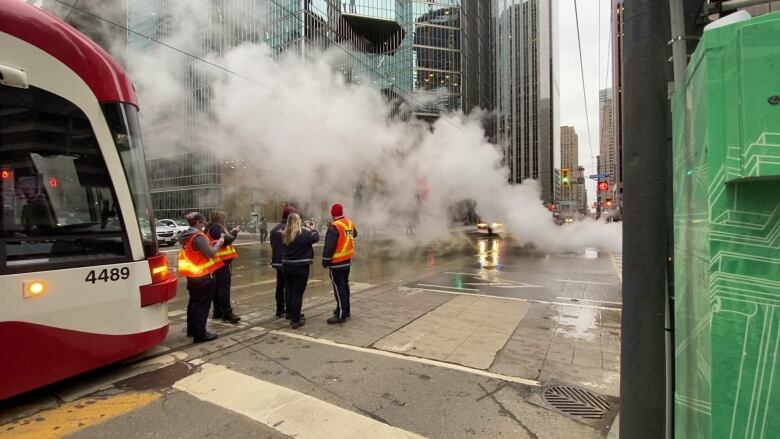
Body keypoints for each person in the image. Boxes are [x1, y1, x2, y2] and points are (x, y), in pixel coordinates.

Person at [178, 212, 225, 343]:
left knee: (193, 303)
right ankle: (200, 334)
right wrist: (219, 243)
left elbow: (196, 251)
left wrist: (211, 243)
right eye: (203, 222)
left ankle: (191, 330)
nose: (204, 225)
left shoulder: (184, 236)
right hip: (203, 276)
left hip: (191, 275)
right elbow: (210, 253)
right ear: (198, 222)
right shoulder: (198, 236)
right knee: (202, 306)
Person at [281, 213, 319, 329]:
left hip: (286, 266)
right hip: (300, 267)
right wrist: (314, 229)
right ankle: (295, 320)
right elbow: (315, 238)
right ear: (299, 221)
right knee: (298, 293)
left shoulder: (284, 233)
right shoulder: (304, 233)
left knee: (289, 290)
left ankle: (290, 313)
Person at [322, 203, 357, 324]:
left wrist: (325, 260)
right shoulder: (349, 223)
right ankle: (346, 309)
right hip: (347, 261)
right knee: (344, 286)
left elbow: (329, 247)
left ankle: (341, 314)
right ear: (342, 212)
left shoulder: (334, 226)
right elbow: (354, 234)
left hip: (336, 262)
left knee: (339, 288)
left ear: (332, 214)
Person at [205, 210, 241, 324]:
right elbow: (226, 241)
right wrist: (235, 231)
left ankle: (218, 311)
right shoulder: (216, 228)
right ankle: (227, 312)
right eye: (224, 217)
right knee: (224, 288)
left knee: (217, 288)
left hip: (217, 262)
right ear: (221, 218)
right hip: (221, 262)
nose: (225, 220)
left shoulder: (211, 228)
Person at [270, 206, 295, 317]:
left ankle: (279, 308)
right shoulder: (290, 230)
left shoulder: (274, 230)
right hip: (288, 262)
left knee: (280, 285)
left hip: (277, 261)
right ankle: (290, 310)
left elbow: (273, 245)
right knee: (289, 286)